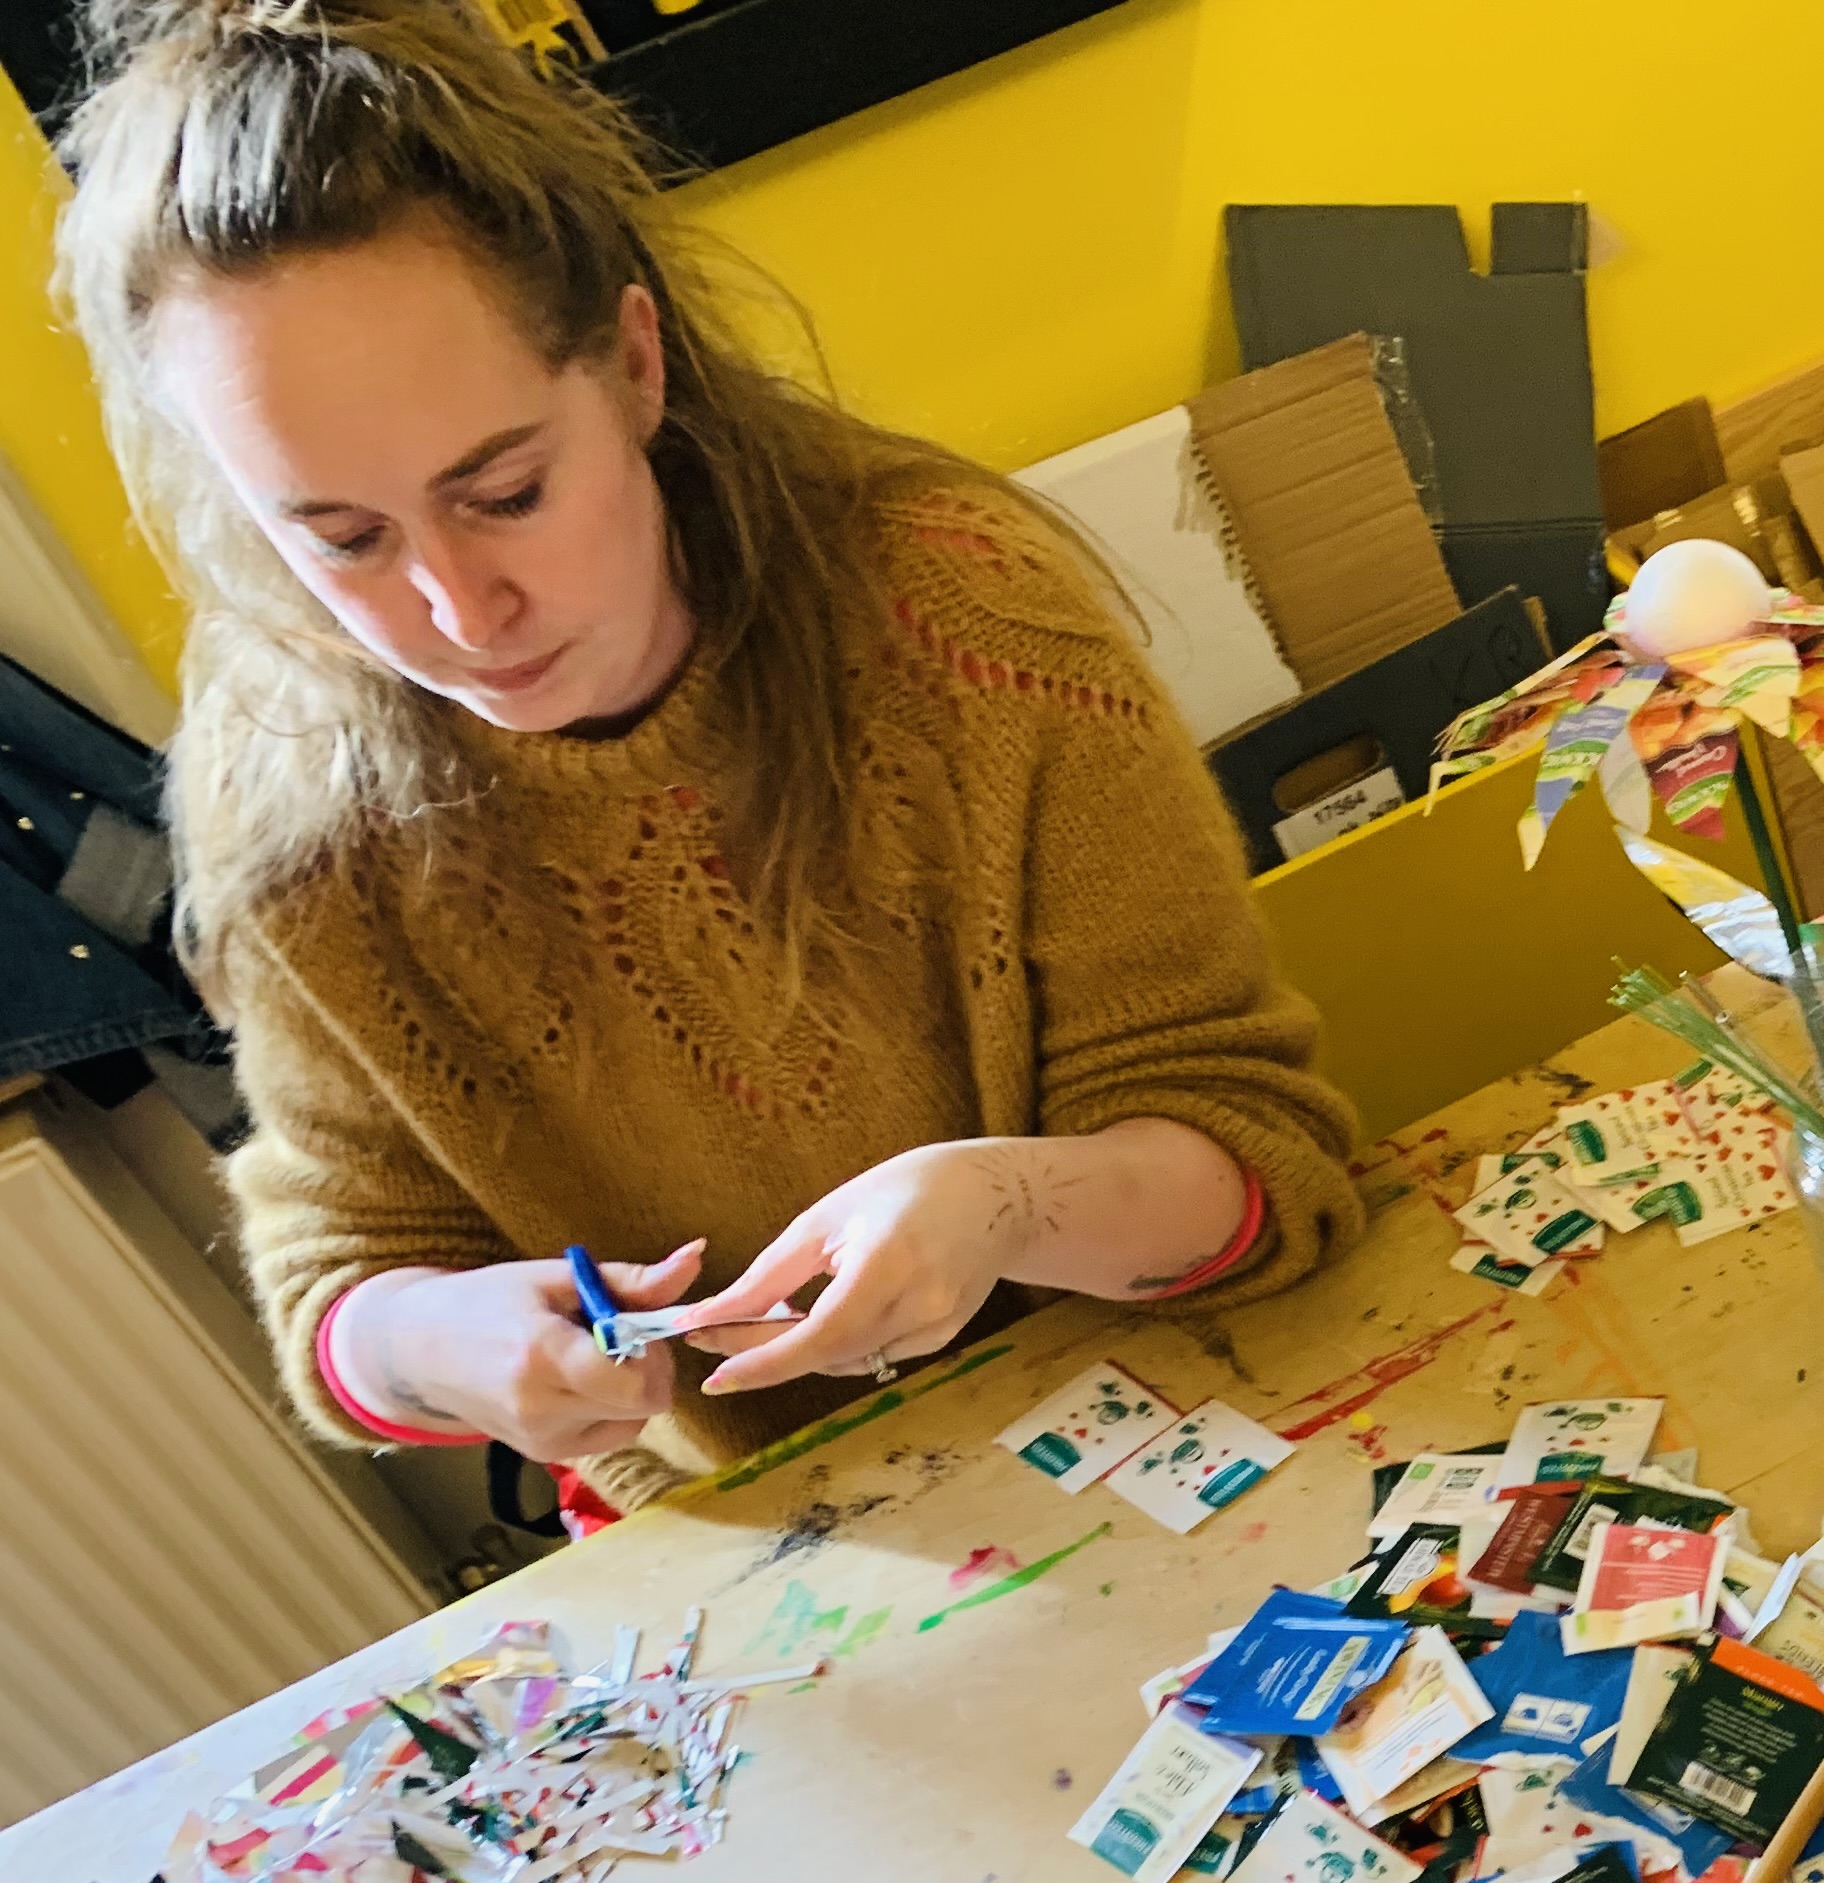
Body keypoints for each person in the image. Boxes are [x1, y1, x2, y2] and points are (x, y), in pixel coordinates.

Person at [51, 0, 1363, 1518]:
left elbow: (1262, 1159)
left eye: (508, 492)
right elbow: (338, 1281)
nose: (458, 613)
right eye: (342, 539)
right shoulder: (286, 789)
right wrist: (435, 1343)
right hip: (744, 1527)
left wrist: (1013, 1204)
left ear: (633, 362)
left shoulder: (963, 621)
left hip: (1165, 1404)